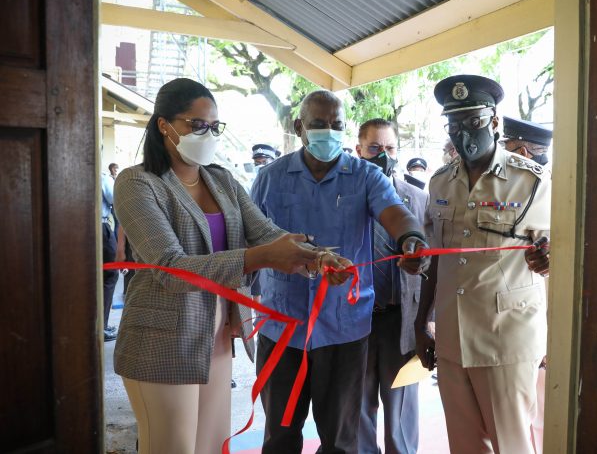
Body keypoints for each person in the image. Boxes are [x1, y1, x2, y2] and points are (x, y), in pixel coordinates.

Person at [113, 78, 350, 454]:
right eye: (196, 124)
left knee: (210, 444)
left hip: (219, 334)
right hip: (162, 339)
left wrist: (318, 257)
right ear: (164, 125)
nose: (207, 134)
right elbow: (171, 268)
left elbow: (267, 233)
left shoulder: (222, 180)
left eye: (214, 126)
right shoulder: (138, 183)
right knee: (171, 447)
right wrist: (262, 257)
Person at [248, 90, 430, 454]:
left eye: (337, 126)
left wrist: (411, 239)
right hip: (282, 329)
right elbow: (250, 240)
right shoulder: (271, 178)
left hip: (345, 332)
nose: (328, 133)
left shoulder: (365, 177)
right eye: (318, 125)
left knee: (342, 442)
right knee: (279, 438)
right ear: (299, 127)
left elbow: (395, 212)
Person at [413, 75, 551, 454]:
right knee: (465, 445)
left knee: (512, 443)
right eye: (454, 125)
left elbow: (561, 250)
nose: (463, 133)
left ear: (493, 122)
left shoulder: (532, 181)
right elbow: (436, 258)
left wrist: (551, 255)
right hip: (454, 336)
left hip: (505, 336)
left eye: (473, 122)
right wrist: (421, 320)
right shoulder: (440, 183)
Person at [355, 119, 428, 454]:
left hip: (401, 321)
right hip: (355, 321)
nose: (383, 155)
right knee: (358, 407)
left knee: (401, 414)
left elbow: (433, 264)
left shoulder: (417, 198)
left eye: (389, 148)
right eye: (374, 148)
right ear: (359, 150)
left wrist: (429, 319)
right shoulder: (346, 200)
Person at [502, 115, 552, 453]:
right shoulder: (499, 189)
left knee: (545, 416)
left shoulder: (553, 188)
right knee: (518, 418)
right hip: (512, 324)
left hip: (544, 321)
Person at [102, 170, 118, 342]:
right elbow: (115, 200)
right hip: (101, 228)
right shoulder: (101, 178)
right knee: (110, 275)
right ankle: (102, 327)